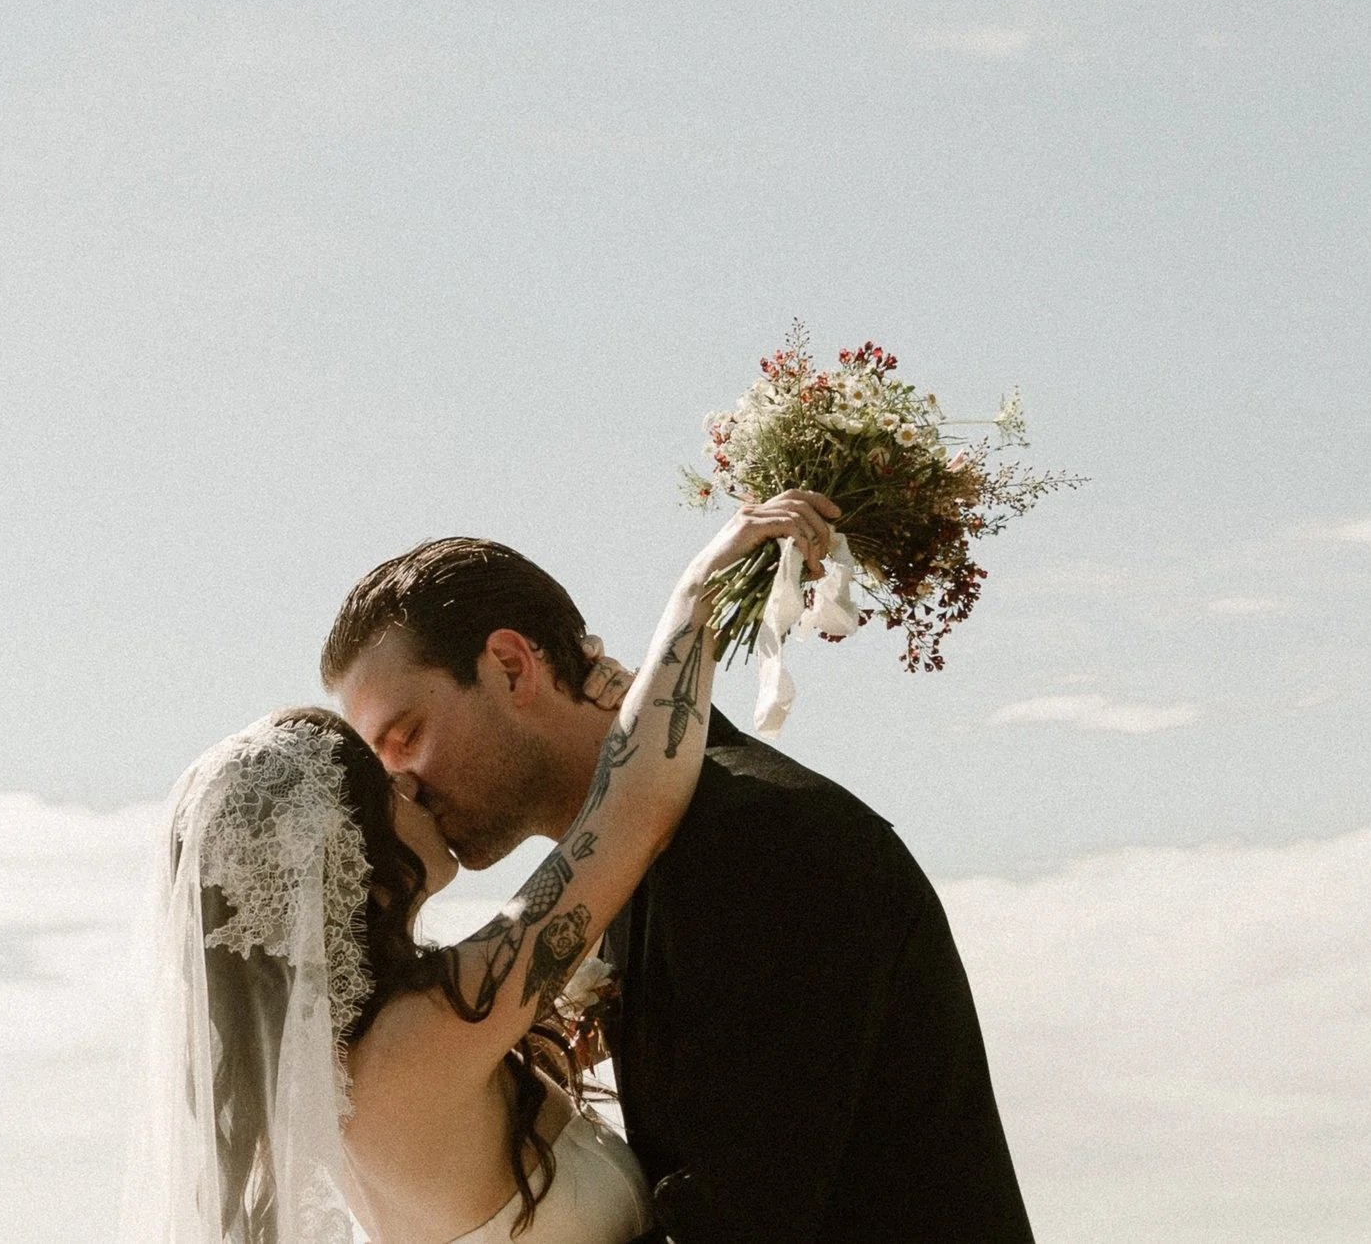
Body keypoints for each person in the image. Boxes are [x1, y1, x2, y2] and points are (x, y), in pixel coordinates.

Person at [120, 492, 832, 1244]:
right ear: (352, 864)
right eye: (378, 780)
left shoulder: (362, 1068)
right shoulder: (421, 1037)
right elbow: (630, 814)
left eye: (402, 746)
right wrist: (697, 593)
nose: (408, 783)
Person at [324, 509, 1035, 1243]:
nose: (401, 788)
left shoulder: (758, 835)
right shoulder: (627, 878)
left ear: (510, 666)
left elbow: (746, 1208)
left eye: (405, 735)